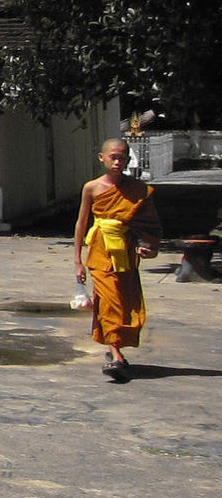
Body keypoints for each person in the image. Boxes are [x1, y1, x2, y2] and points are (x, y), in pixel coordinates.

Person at [73, 136, 162, 382]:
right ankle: (117, 355)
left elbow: (149, 227)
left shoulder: (139, 190)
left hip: (126, 252)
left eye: (122, 157)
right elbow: (81, 224)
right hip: (100, 251)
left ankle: (116, 351)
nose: (117, 161)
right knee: (108, 303)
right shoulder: (92, 188)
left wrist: (149, 248)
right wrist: (78, 261)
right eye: (113, 156)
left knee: (125, 304)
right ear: (101, 158)